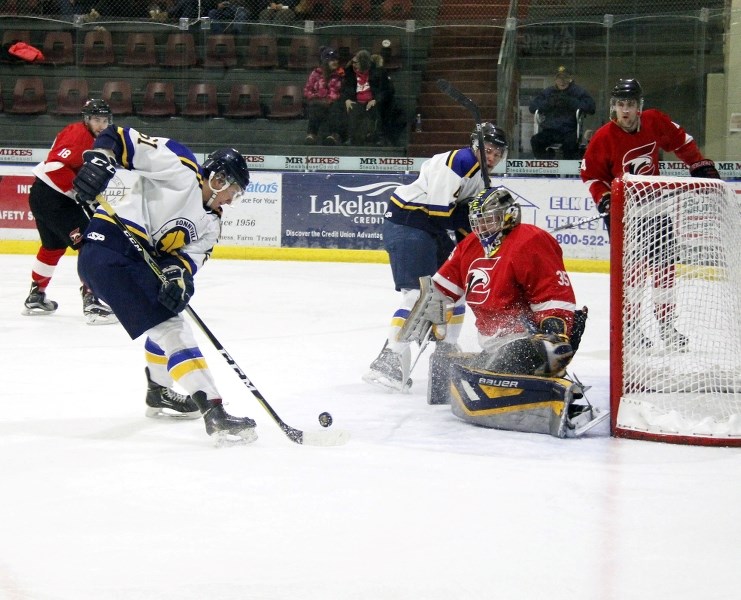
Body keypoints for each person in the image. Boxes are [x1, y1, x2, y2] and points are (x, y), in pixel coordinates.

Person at [71, 125, 257, 443]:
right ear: (220, 178)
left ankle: (159, 391)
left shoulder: (211, 225)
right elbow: (117, 136)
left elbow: (187, 264)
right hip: (108, 251)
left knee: (164, 311)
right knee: (172, 327)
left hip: (130, 265)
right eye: (234, 191)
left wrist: (177, 279)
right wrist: (101, 159)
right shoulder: (178, 164)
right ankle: (213, 411)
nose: (230, 199)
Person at [396, 188, 599, 436]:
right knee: (465, 369)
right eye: (478, 221)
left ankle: (559, 398)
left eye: (489, 219)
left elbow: (553, 293)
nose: (482, 227)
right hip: (496, 343)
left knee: (507, 362)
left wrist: (554, 333)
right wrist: (430, 310)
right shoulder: (469, 245)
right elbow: (441, 289)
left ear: (508, 216)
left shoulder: (530, 240)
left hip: (537, 337)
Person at [363, 123, 508, 392]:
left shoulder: (479, 174)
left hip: (431, 228)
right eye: (488, 151)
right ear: (475, 147)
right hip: (409, 223)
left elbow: (461, 219)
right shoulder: (460, 161)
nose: (492, 157)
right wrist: (476, 232)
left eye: (497, 154)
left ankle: (446, 350)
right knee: (417, 295)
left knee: (457, 287)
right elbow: (442, 212)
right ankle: (390, 359)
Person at [581, 78, 721, 351]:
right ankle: (631, 329)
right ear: (613, 107)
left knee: (665, 271)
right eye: (620, 104)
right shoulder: (603, 138)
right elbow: (591, 176)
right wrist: (605, 198)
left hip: (656, 210)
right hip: (625, 217)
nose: (625, 110)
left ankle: (667, 327)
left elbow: (682, 141)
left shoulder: (654, 121)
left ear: (639, 106)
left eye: (630, 104)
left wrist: (697, 163)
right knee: (632, 276)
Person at [22, 99, 117, 325]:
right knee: (90, 244)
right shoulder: (78, 135)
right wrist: (78, 189)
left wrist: (81, 191)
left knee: (52, 246)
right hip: (55, 200)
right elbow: (55, 166)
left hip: (43, 196)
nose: (101, 125)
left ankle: (36, 296)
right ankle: (92, 301)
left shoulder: (93, 137)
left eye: (105, 120)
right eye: (96, 120)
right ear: (87, 119)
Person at [528, 66, 595, 159]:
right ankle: (548, 169)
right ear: (555, 80)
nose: (562, 81)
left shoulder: (577, 91)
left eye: (565, 78)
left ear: (570, 79)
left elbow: (591, 108)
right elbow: (533, 107)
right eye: (559, 78)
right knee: (536, 141)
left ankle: (568, 171)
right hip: (550, 130)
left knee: (570, 147)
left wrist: (571, 102)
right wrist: (549, 103)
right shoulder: (548, 92)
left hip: (569, 130)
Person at [341, 49, 395, 146]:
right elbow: (344, 89)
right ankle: (351, 138)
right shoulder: (350, 74)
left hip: (373, 102)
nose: (354, 65)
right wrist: (347, 99)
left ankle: (380, 137)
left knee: (377, 109)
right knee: (351, 108)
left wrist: (376, 100)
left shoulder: (379, 73)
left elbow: (388, 90)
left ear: (363, 63)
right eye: (353, 62)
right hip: (356, 101)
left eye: (356, 63)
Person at [303, 46, 345, 146]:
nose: (335, 62)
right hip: (319, 102)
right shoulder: (316, 73)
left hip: (333, 103)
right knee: (315, 108)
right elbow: (307, 90)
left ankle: (333, 136)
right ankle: (311, 135)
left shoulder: (341, 74)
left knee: (335, 108)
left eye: (336, 59)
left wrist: (330, 99)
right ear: (325, 61)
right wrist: (316, 96)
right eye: (331, 60)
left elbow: (342, 91)